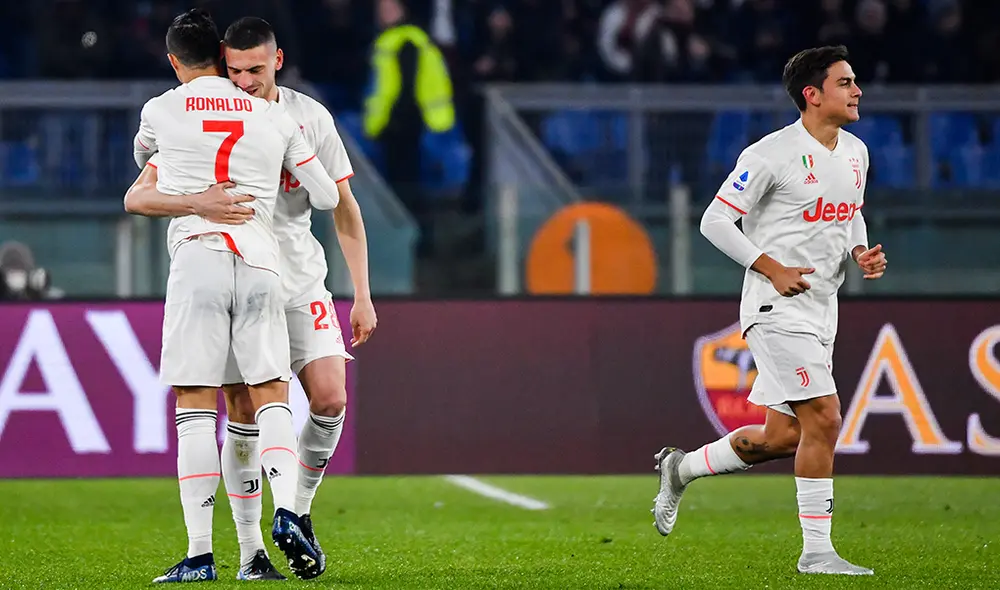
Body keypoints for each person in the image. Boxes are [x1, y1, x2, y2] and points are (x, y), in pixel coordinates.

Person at [125, 16, 377, 581]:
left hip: (295, 277)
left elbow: (342, 206)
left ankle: (296, 511)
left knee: (330, 398)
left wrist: (362, 294)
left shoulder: (306, 116)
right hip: (257, 266)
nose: (244, 80)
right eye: (234, 70)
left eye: (255, 70)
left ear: (278, 62)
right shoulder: (256, 118)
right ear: (220, 62)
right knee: (250, 405)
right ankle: (253, 550)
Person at [652, 45, 887, 576]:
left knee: (782, 437)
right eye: (845, 82)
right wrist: (770, 267)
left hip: (823, 308)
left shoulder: (856, 152)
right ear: (813, 94)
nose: (857, 91)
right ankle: (817, 552)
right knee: (825, 417)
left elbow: (849, 213)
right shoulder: (769, 155)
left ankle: (680, 468)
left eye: (855, 81)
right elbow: (714, 221)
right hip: (774, 306)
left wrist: (860, 250)